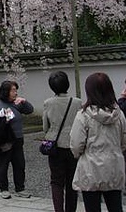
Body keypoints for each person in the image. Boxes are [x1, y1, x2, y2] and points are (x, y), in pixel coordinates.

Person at [71, 72, 126, 212]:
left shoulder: (83, 115)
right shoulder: (119, 114)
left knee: (92, 208)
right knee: (116, 207)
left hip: (91, 168)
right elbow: (125, 141)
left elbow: (76, 145)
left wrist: (80, 154)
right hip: (114, 166)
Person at [0, 79, 34, 199]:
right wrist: (2, 120)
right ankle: (3, 188)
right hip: (4, 139)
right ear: (6, 91)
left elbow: (29, 110)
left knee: (19, 164)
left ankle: (20, 188)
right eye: (13, 90)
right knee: (3, 164)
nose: (15, 93)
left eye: (16, 90)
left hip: (18, 138)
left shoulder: (17, 103)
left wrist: (24, 101)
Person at [42, 71, 82, 212]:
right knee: (72, 181)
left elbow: (45, 127)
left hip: (55, 146)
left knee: (56, 182)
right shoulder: (77, 102)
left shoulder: (48, 103)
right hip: (72, 145)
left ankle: (58, 209)